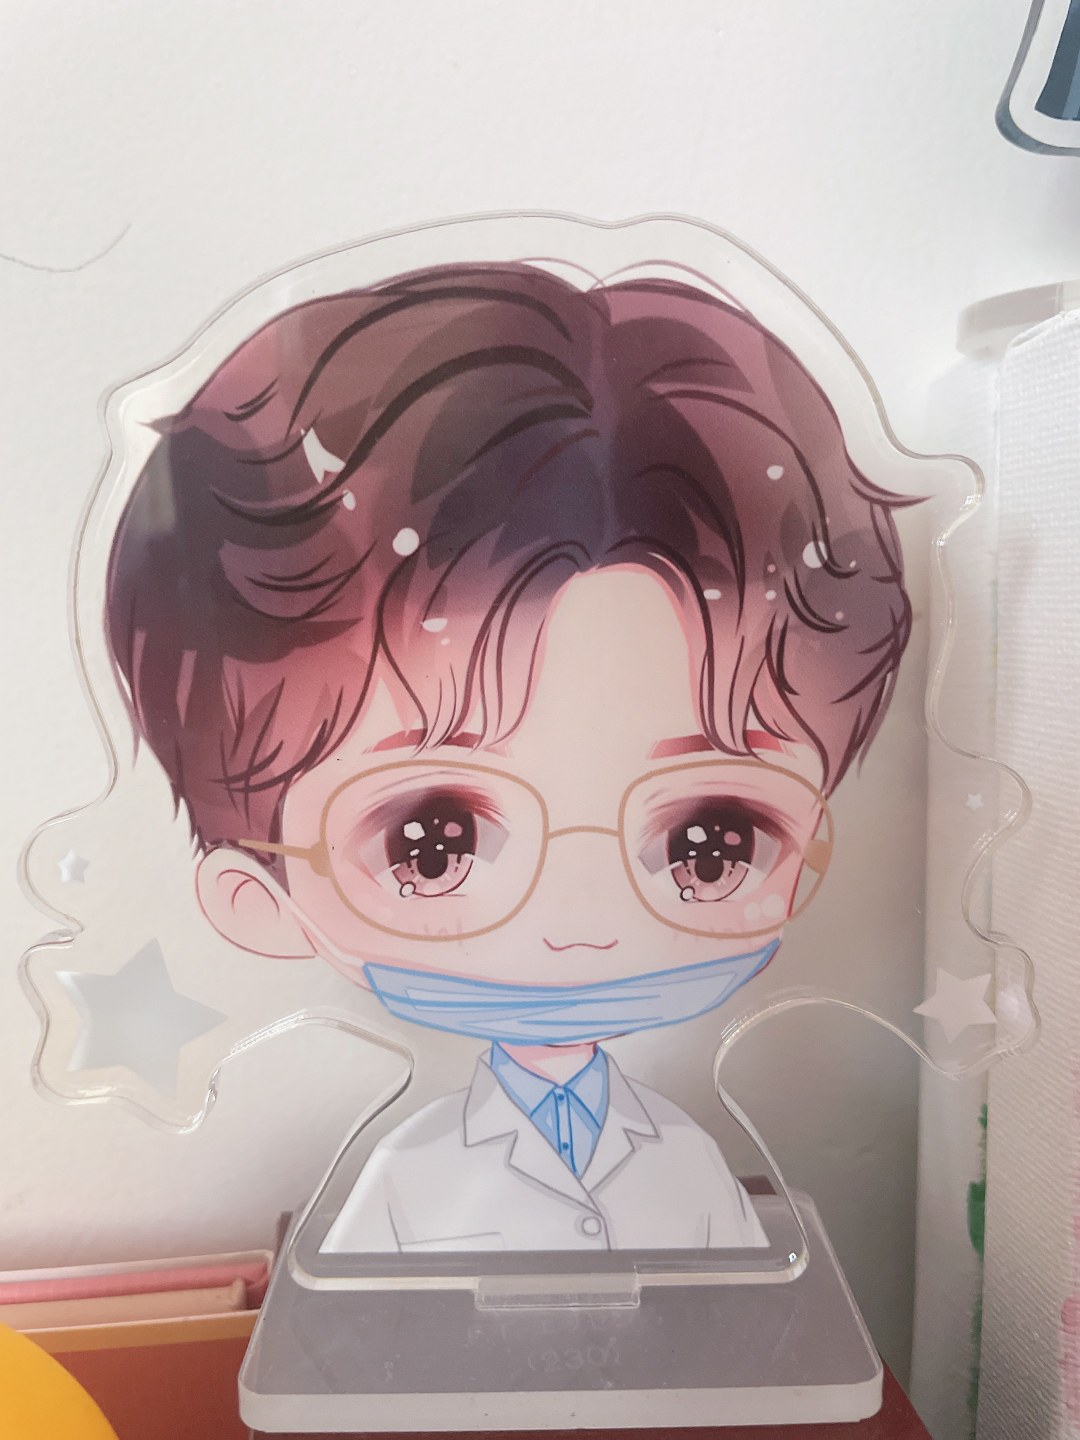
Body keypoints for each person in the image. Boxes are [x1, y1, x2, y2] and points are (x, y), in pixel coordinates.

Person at [105, 261, 915, 1253]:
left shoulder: (688, 1164)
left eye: (712, 840)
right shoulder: (410, 1180)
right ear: (257, 896)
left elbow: (742, 1329)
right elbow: (368, 1342)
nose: (580, 926)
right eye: (432, 842)